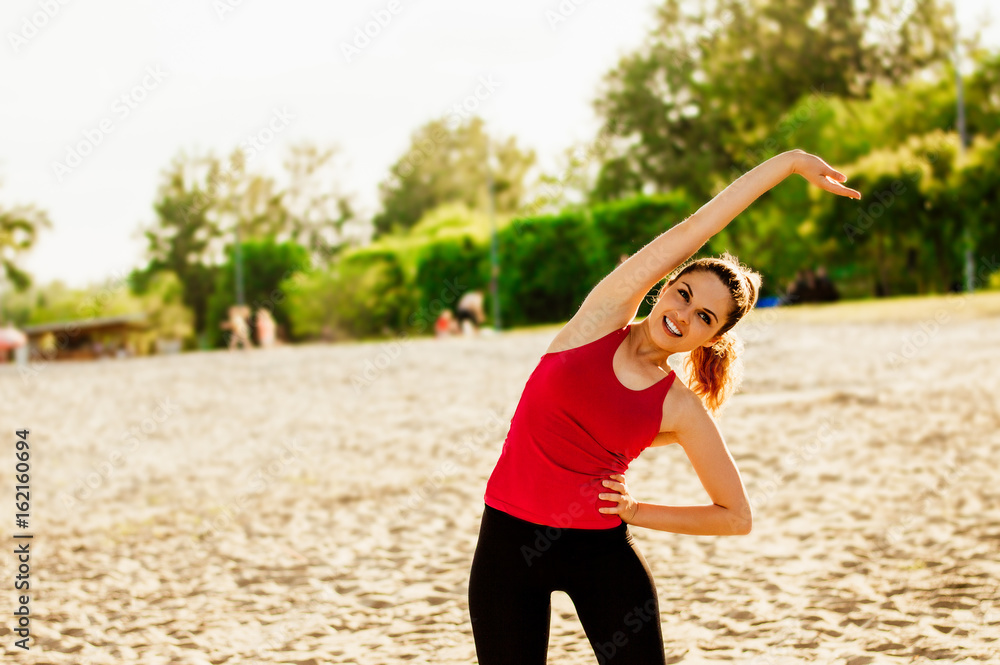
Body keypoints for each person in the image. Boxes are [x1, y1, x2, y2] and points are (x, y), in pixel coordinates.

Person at [467, 149, 861, 663]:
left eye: (704, 317)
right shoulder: (599, 321)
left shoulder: (680, 407)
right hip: (506, 545)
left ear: (711, 338)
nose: (683, 314)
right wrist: (785, 164)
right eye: (683, 293)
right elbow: (697, 228)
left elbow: (736, 516)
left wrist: (635, 511)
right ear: (665, 286)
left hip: (600, 555)